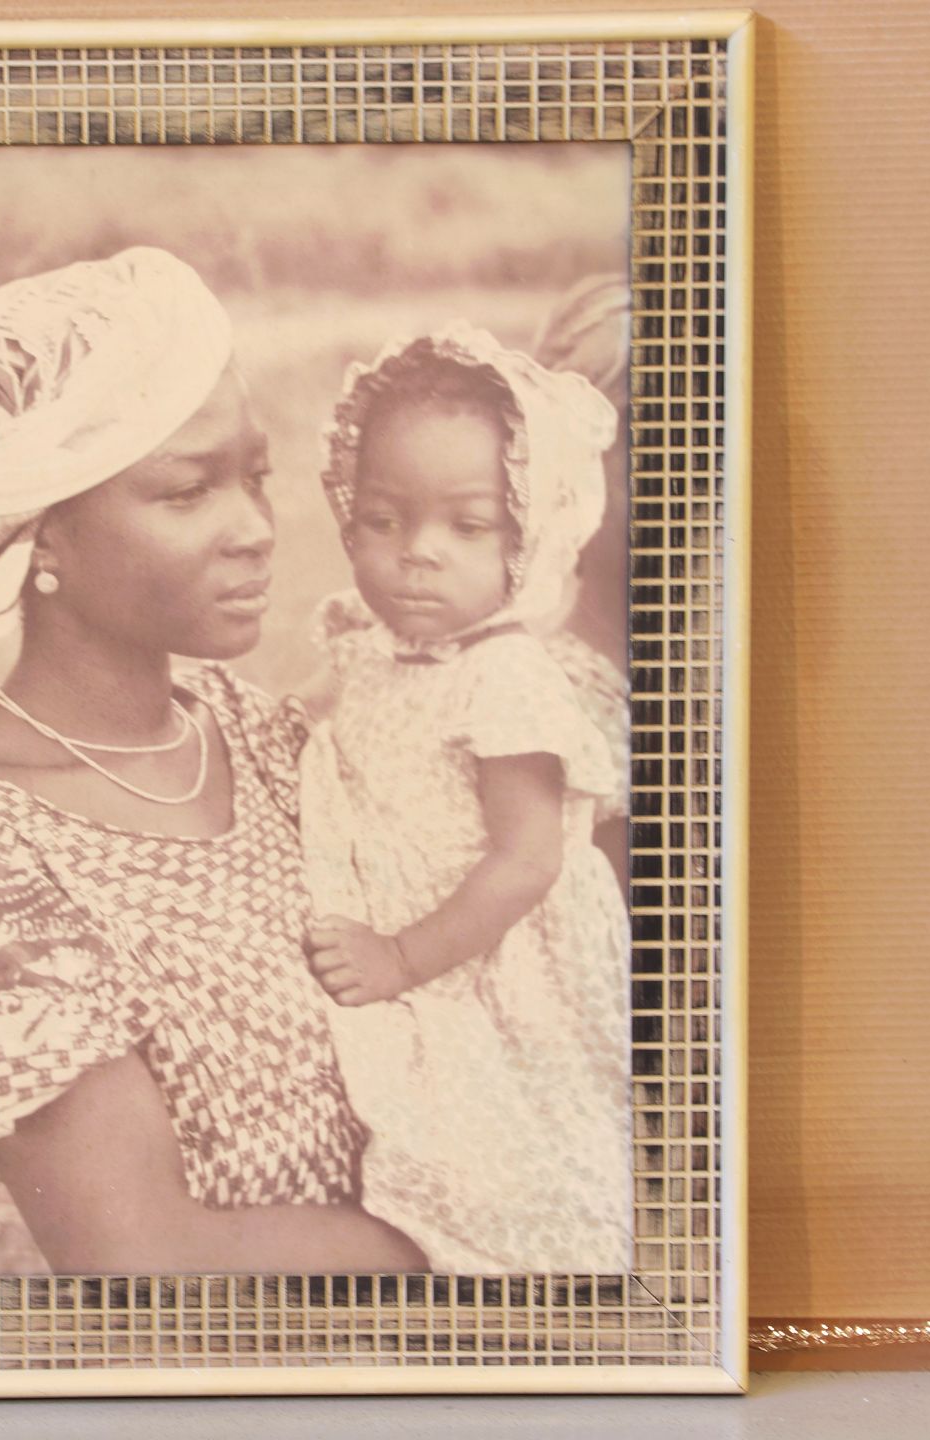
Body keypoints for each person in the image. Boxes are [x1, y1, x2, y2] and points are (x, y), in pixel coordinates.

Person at [0, 247, 424, 1276]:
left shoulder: (249, 732)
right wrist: (472, 1257)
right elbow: (142, 1257)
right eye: (187, 492)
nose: (256, 530)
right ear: (42, 537)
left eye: (255, 476)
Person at [299, 319, 633, 1274]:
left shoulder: (506, 676)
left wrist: (403, 956)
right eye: (383, 520)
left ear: (530, 539)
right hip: (408, 930)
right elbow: (316, 730)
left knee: (503, 1156)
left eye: (468, 526)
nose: (419, 553)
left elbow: (527, 862)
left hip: (492, 958)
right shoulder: (377, 647)